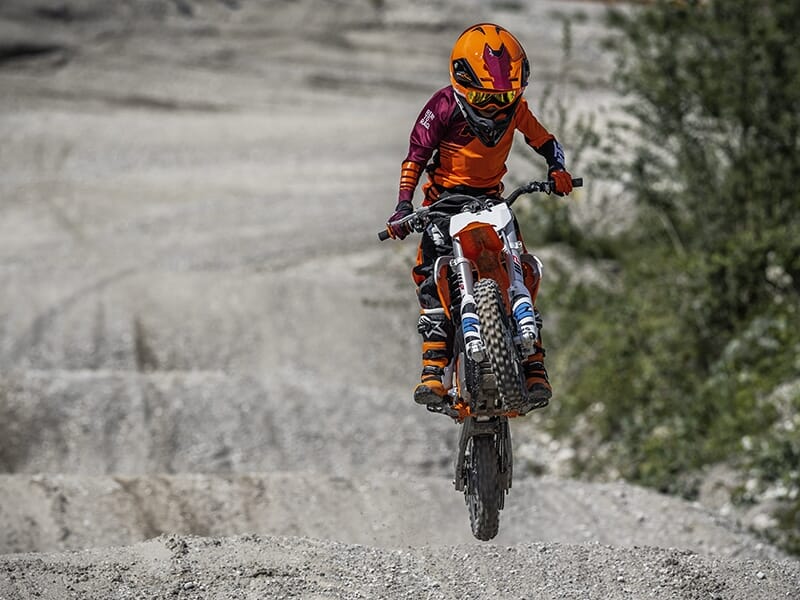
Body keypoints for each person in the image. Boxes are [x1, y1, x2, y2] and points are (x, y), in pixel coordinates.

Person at [385, 23, 575, 409]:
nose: (493, 107)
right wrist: (404, 205)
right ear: (459, 82)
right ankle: (433, 372)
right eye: (482, 97)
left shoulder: (516, 110)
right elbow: (415, 157)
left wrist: (558, 169)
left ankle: (534, 366)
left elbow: (546, 140)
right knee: (429, 275)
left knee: (520, 267)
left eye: (503, 96)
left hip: (493, 200)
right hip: (444, 203)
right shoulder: (441, 107)